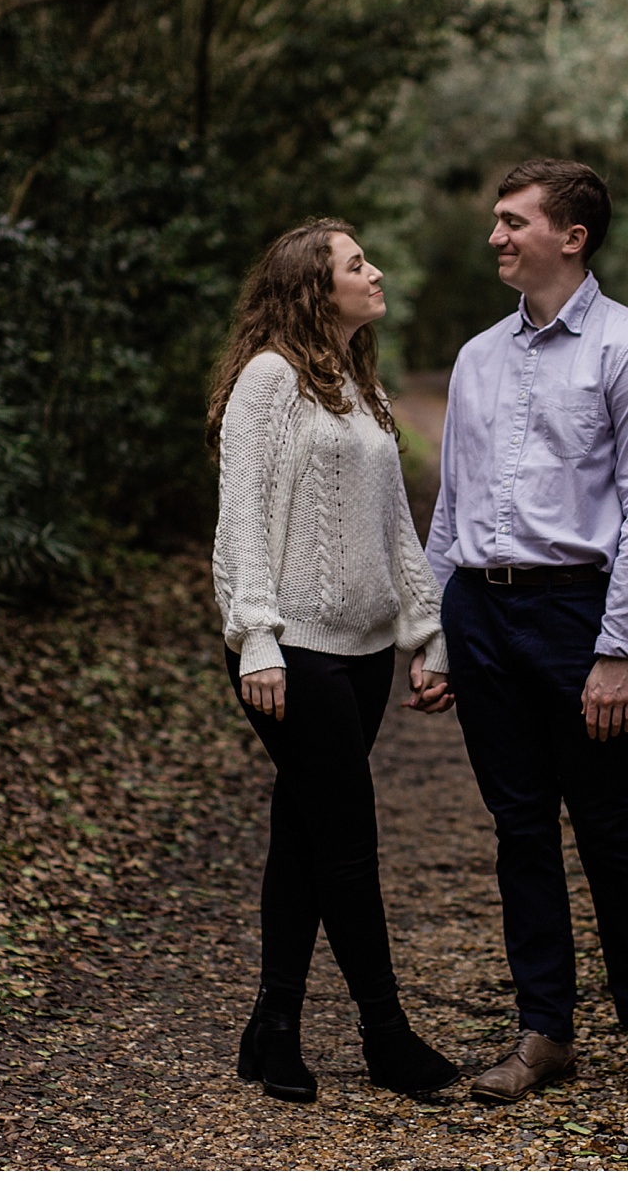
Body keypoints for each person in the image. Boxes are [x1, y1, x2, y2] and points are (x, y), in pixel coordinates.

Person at [422, 158, 628, 1103]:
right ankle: (544, 1031)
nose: (496, 236)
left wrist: (621, 650)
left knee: (609, 825)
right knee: (519, 828)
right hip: (482, 610)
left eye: (512, 221)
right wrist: (434, 630)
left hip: (579, 613)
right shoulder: (477, 355)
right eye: (496, 221)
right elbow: (450, 508)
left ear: (570, 237)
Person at [207, 219, 462, 1104]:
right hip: (294, 654)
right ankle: (386, 1035)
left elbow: (394, 521)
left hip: (360, 656)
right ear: (315, 286)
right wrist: (257, 634)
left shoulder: (358, 384)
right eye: (357, 264)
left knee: (305, 833)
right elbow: (240, 514)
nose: (375, 270)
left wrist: (426, 629)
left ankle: (273, 1024)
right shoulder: (270, 378)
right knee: (349, 841)